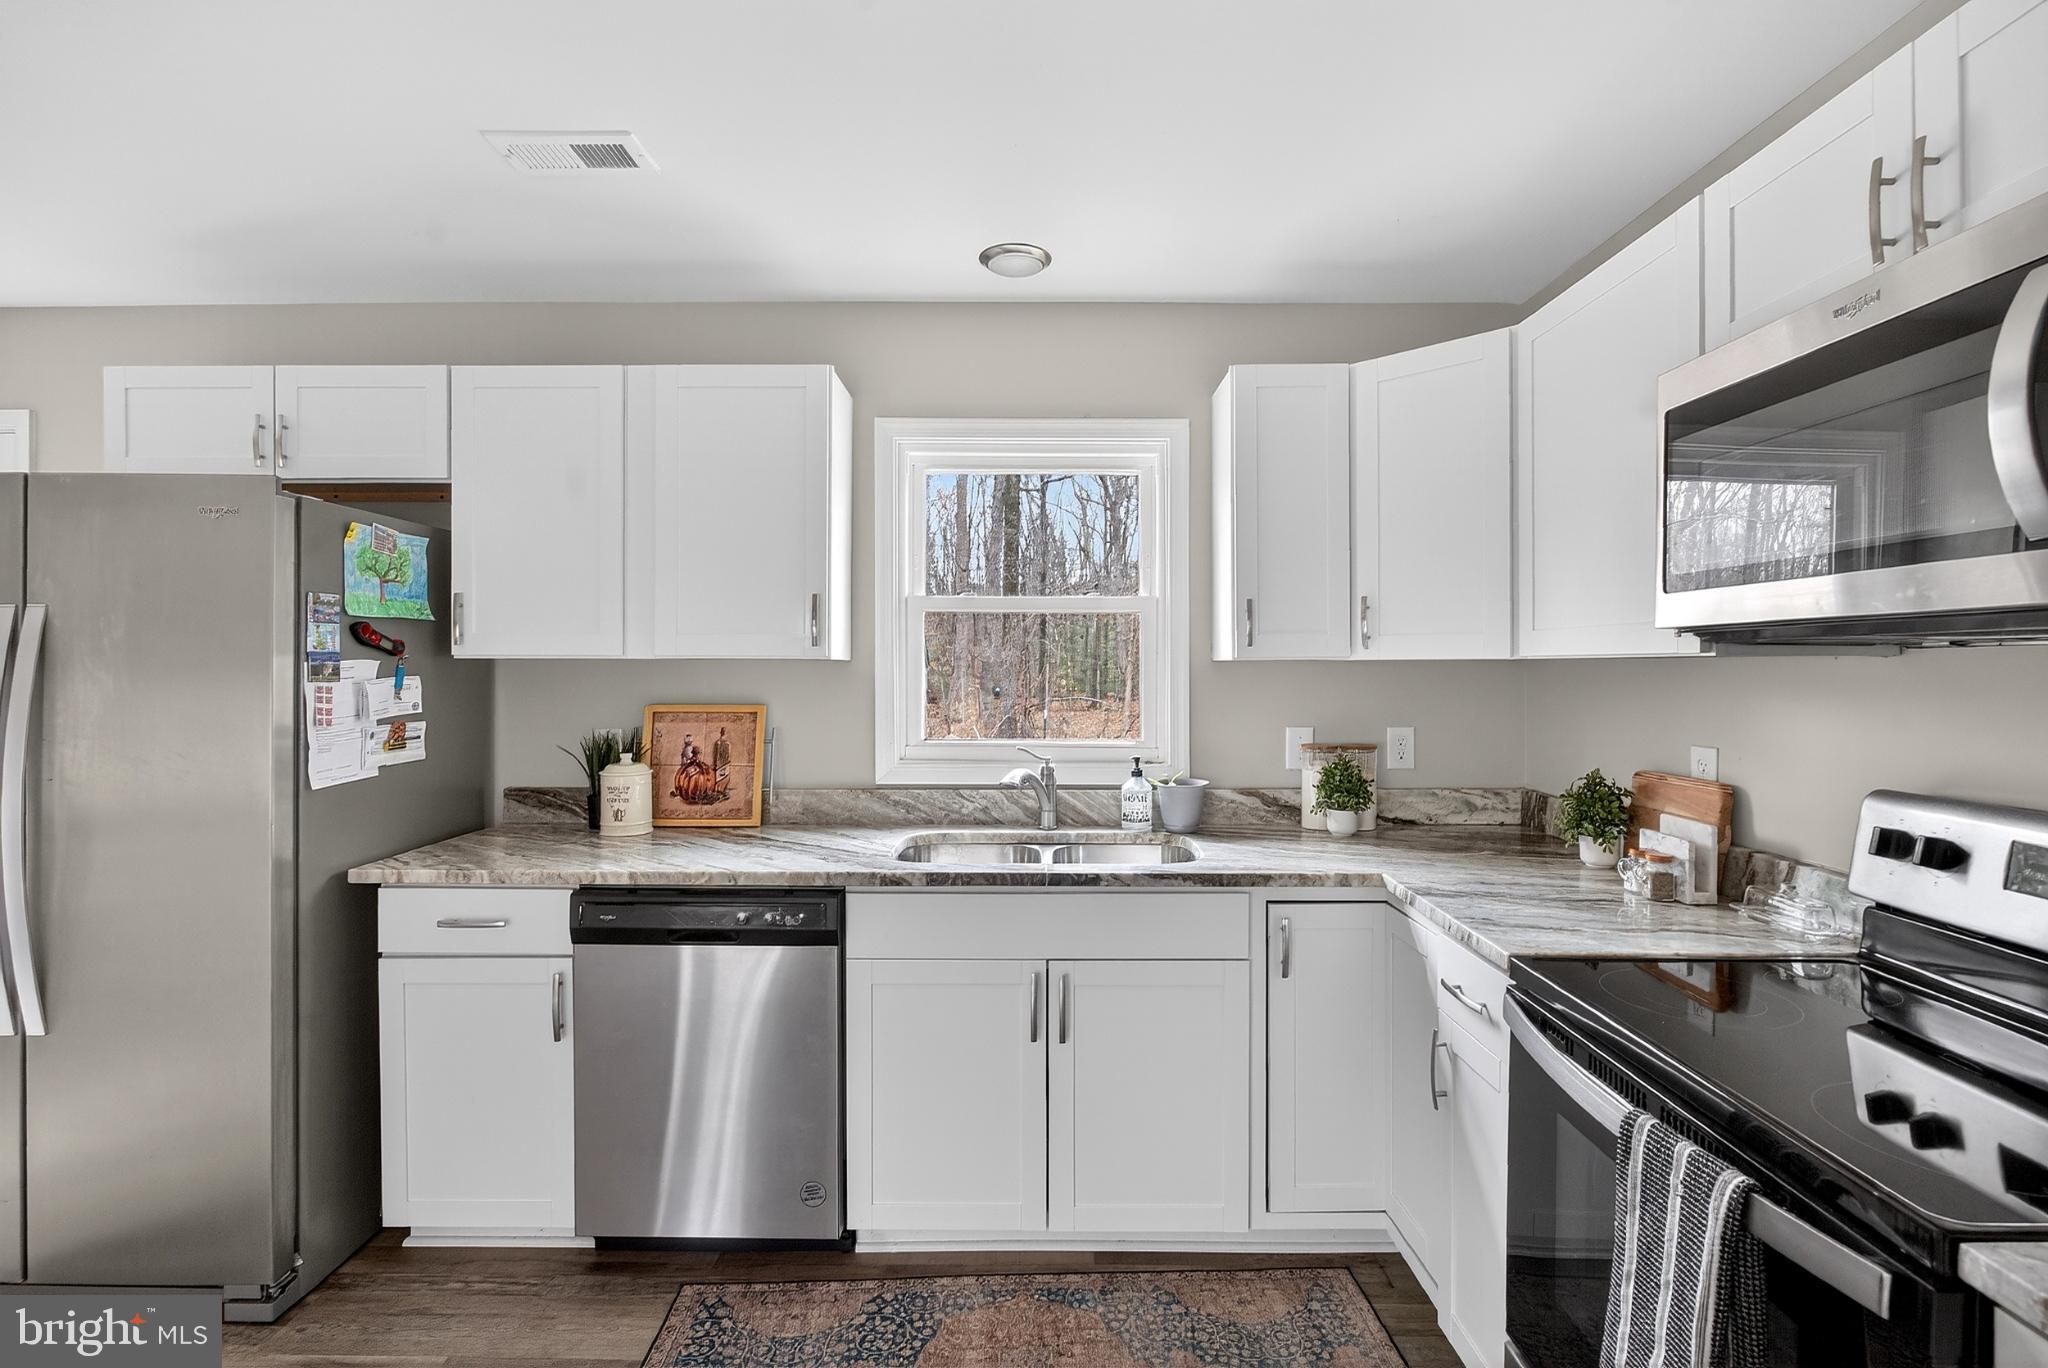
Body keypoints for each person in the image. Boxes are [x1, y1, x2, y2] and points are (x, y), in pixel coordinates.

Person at [673, 734, 717, 803]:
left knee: (705, 774)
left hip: (696, 765)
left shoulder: (690, 750)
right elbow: (688, 759)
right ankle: (692, 793)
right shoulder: (687, 749)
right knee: (690, 775)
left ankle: (702, 792)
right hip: (691, 765)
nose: (689, 741)